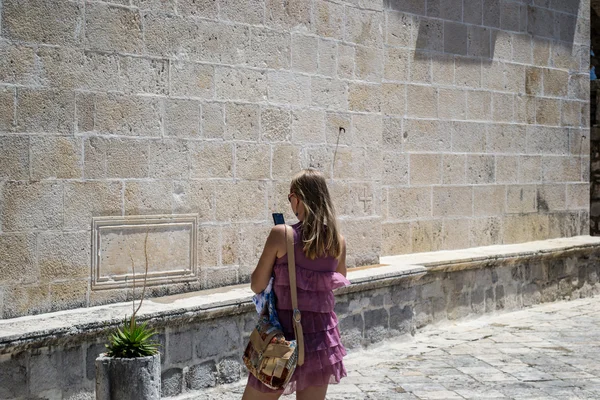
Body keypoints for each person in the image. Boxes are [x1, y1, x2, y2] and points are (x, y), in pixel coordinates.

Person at [242, 169, 350, 400]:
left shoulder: (282, 234)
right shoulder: (338, 241)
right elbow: (339, 278)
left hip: (282, 338)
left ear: (298, 198)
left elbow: (256, 284)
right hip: (322, 339)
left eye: (290, 197)